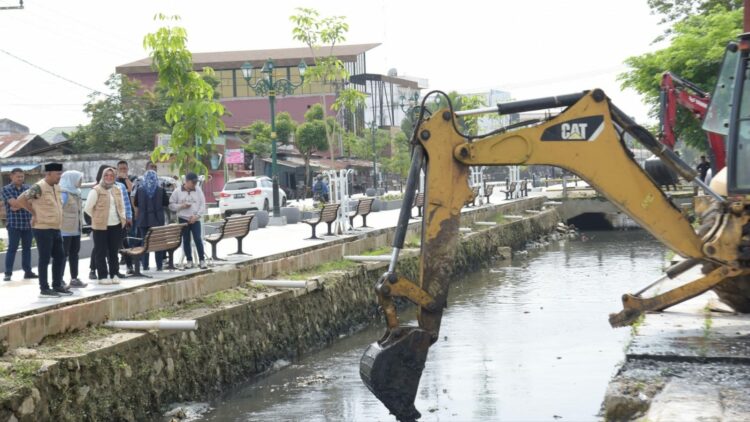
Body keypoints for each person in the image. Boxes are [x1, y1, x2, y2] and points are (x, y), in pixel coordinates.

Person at [15, 163, 69, 298]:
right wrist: (33, 213)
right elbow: (21, 199)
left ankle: (57, 285)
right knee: (44, 258)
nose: (59, 176)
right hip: (42, 228)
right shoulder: (39, 186)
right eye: (57, 174)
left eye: (60, 174)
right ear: (48, 174)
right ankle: (44, 288)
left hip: (55, 227)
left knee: (60, 256)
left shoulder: (56, 186)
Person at [84, 167, 127, 284]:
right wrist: (97, 218)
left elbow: (121, 206)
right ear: (103, 176)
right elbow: (88, 209)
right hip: (100, 227)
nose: (109, 177)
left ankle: (114, 274)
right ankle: (102, 276)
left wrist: (122, 217)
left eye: (111, 176)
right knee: (100, 252)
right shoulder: (96, 190)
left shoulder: (117, 189)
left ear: (114, 177)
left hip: (116, 225)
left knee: (114, 252)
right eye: (106, 175)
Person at [2, 168, 36, 281]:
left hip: (27, 223)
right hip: (14, 224)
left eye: (22, 176)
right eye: (18, 176)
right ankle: (8, 273)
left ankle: (28, 272)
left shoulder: (28, 188)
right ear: (11, 176)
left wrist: (18, 205)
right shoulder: (5, 189)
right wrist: (23, 203)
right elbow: (14, 203)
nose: (20, 178)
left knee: (27, 248)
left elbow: (32, 203)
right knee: (12, 248)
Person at [169, 172, 207, 269]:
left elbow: (203, 204)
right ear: (186, 181)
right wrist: (182, 206)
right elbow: (171, 205)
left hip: (195, 219)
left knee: (198, 239)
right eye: (192, 182)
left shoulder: (198, 190)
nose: (194, 184)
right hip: (183, 219)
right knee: (186, 240)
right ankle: (189, 260)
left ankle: (202, 260)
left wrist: (196, 216)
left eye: (195, 182)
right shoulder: (177, 191)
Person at [133, 170, 165, 271]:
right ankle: (159, 266)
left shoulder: (140, 189)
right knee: (158, 242)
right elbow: (166, 203)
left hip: (143, 220)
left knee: (144, 242)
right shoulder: (160, 190)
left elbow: (136, 203)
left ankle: (145, 265)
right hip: (157, 220)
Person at [60, 170, 87, 288]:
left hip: (76, 230)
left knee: (74, 254)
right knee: (62, 255)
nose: (80, 181)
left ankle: (74, 278)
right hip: (65, 231)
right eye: (79, 179)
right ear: (71, 179)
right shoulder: (64, 193)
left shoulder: (76, 192)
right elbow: (57, 210)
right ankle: (59, 279)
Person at [116, 160, 137, 274]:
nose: (123, 171)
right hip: (118, 215)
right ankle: (123, 258)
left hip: (129, 213)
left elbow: (131, 189)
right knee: (121, 241)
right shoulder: (114, 181)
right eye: (121, 169)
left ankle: (130, 260)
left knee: (129, 237)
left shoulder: (132, 178)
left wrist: (125, 178)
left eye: (125, 168)